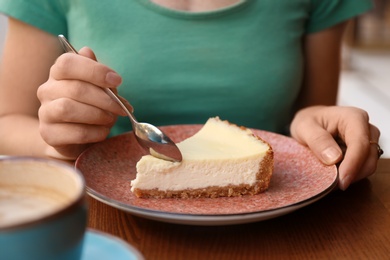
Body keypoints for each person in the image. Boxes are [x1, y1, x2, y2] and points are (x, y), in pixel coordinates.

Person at [0, 0, 382, 190]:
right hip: (102, 219)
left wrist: (316, 126)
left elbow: (311, 111)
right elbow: (6, 120)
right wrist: (56, 143)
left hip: (277, 220)